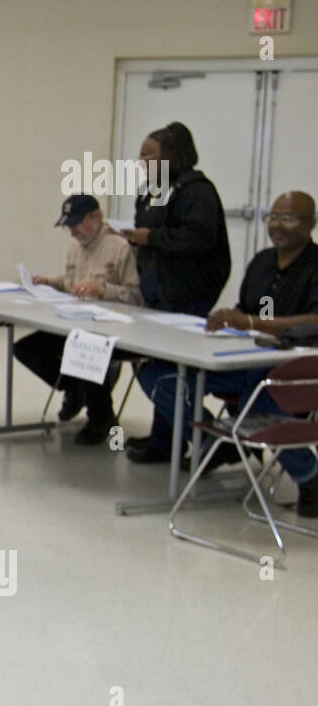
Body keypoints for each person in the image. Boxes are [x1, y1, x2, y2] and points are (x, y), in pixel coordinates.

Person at [133, 192, 318, 511]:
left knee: (258, 397)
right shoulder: (263, 262)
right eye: (272, 217)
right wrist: (228, 319)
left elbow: (312, 321)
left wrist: (252, 321)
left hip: (295, 370)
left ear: (311, 223)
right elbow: (260, 311)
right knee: (160, 374)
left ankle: (310, 475)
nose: (277, 225)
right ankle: (216, 442)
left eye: (288, 218)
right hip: (245, 359)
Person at [121, 121, 232, 463]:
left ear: (172, 155)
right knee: (157, 363)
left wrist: (149, 238)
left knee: (167, 370)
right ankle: (165, 442)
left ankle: (208, 439)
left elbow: (198, 239)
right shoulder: (153, 189)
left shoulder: (197, 191)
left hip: (188, 292)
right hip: (158, 290)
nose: (141, 161)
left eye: (148, 154)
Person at [13, 195, 142, 444]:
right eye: (68, 226)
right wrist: (49, 283)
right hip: (76, 323)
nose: (72, 232)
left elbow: (136, 296)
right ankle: (76, 389)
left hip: (111, 328)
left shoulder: (120, 248)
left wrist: (103, 290)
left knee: (83, 348)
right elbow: (71, 281)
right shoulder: (76, 248)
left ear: (96, 217)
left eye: (76, 224)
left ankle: (101, 417)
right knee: (25, 349)